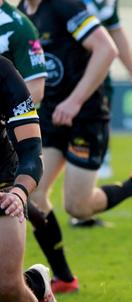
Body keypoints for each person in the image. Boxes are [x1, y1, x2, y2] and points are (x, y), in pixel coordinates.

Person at [12, 0, 132, 295]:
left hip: (86, 115)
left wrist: (76, 101)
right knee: (34, 197)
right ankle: (64, 277)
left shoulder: (66, 6)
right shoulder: (22, 15)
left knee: (78, 206)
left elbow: (106, 49)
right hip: (49, 117)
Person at [51, 0, 132, 180]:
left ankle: (82, 210)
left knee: (90, 153)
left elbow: (116, 32)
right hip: (63, 77)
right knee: (52, 148)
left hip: (96, 80)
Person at [0, 57, 56, 302]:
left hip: (3, 185)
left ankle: (33, 284)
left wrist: (18, 193)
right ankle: (35, 280)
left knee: (7, 288)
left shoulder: (4, 73)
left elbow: (32, 152)